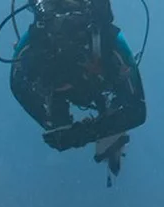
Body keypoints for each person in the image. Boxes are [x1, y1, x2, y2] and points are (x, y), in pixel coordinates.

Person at [9, 0, 146, 187]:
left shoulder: (108, 40)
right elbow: (18, 86)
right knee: (59, 120)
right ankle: (76, 121)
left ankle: (102, 120)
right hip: (64, 89)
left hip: (99, 84)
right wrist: (55, 127)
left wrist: (79, 134)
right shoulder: (34, 44)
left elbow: (137, 110)